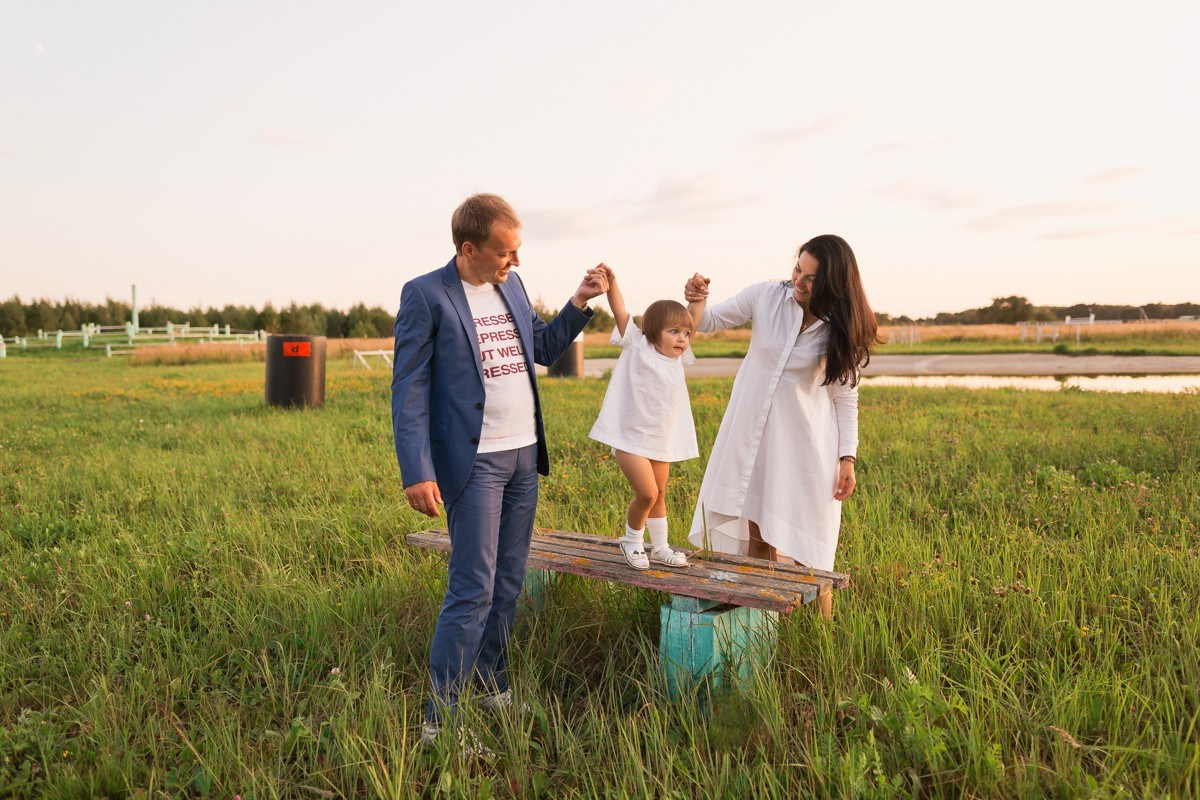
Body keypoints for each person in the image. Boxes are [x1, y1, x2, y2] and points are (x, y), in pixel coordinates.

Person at [391, 193, 608, 741]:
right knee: (473, 588)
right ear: (469, 248)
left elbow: (543, 348)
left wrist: (580, 303)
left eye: (518, 251)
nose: (516, 263)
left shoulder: (509, 285)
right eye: (506, 252)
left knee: (509, 581)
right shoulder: (427, 295)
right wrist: (416, 469)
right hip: (474, 462)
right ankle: (442, 718)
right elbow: (408, 389)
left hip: (523, 455)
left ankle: (491, 684)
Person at [684, 235, 879, 619]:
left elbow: (846, 397)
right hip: (753, 443)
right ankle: (763, 624)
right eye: (797, 270)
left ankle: (822, 634)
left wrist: (848, 457)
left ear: (835, 283)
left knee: (813, 543)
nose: (799, 283)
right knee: (758, 533)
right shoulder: (766, 296)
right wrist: (696, 299)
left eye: (811, 278)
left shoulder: (840, 328)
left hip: (806, 448)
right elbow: (706, 322)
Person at [588, 265, 698, 570]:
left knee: (660, 494)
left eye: (686, 334)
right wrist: (612, 283)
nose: (682, 339)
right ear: (653, 330)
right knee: (647, 493)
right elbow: (620, 311)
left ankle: (660, 547)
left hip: (660, 439)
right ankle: (632, 541)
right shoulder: (637, 344)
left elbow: (694, 317)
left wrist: (697, 297)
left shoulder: (678, 358)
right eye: (674, 332)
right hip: (630, 438)